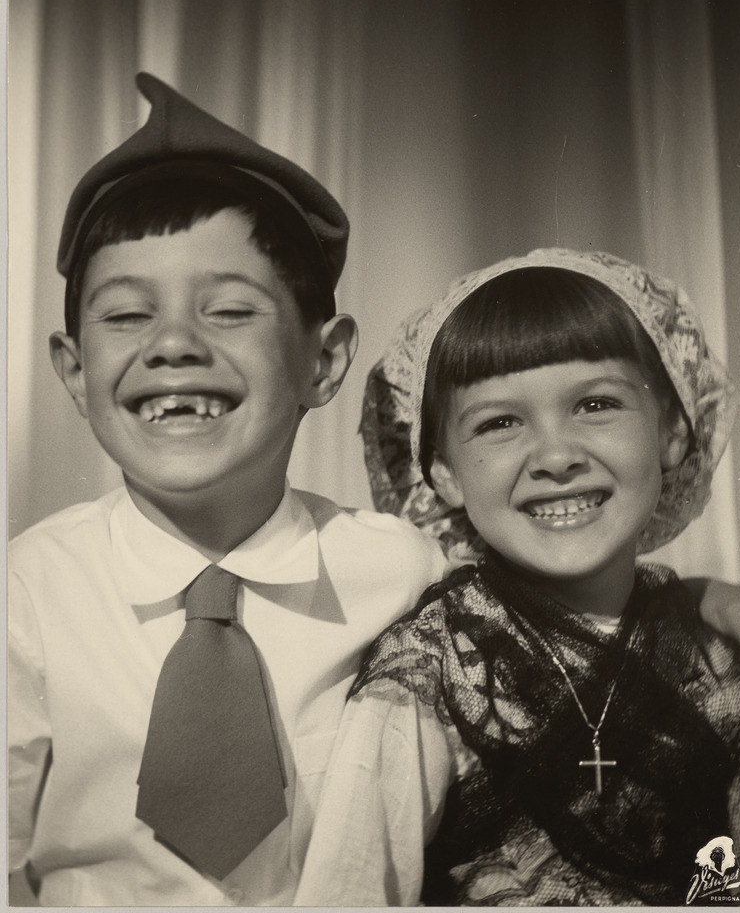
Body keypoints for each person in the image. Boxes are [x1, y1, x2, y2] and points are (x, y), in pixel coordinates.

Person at [7, 73, 446, 907]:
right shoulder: (26, 592)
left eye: (230, 311)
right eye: (126, 316)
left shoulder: (406, 575)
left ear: (324, 361)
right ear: (73, 370)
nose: (173, 344)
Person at [295, 249, 740, 906]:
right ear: (443, 473)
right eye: (499, 423)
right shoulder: (427, 675)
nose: (556, 456)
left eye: (595, 403)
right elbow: (351, 890)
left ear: (673, 432)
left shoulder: (725, 653)